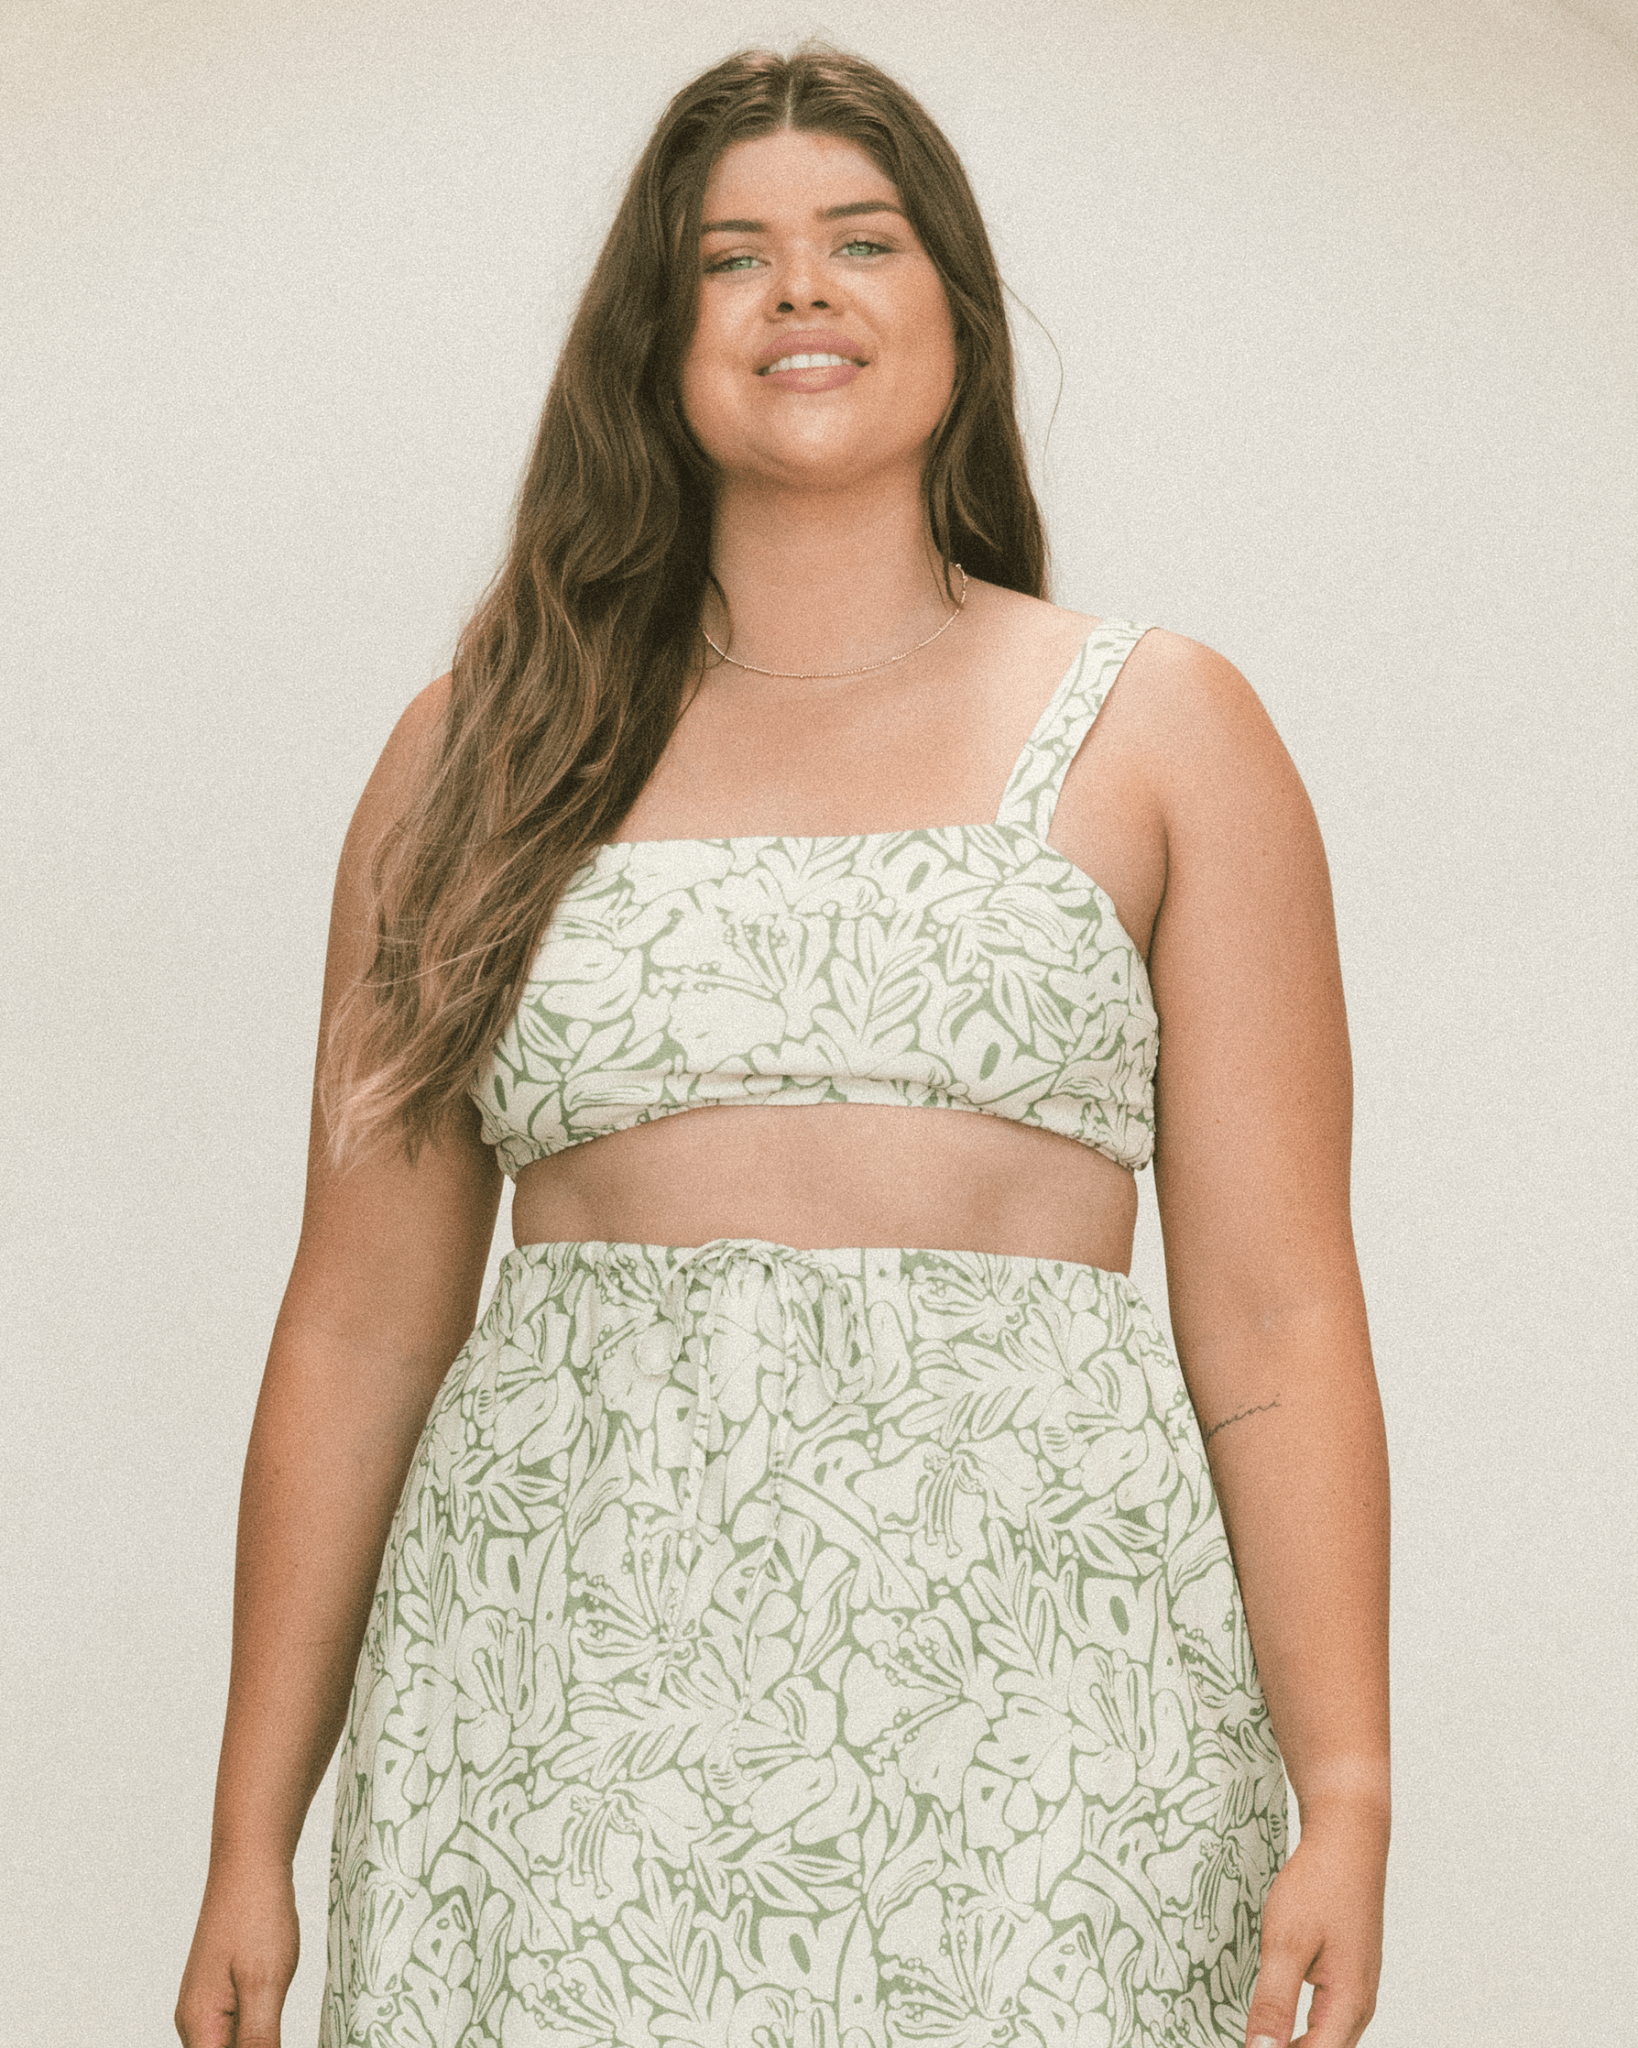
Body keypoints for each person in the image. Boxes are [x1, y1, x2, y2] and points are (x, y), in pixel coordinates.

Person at [176, 44, 1389, 2048]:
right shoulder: (483, 752)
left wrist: (1344, 1785)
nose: (799, 287)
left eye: (861, 241)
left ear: (956, 312)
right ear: (656, 342)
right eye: (730, 256)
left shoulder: (1164, 731)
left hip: (1043, 1725)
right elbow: (362, 1323)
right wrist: (249, 1833)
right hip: (556, 1724)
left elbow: (1274, 1320)